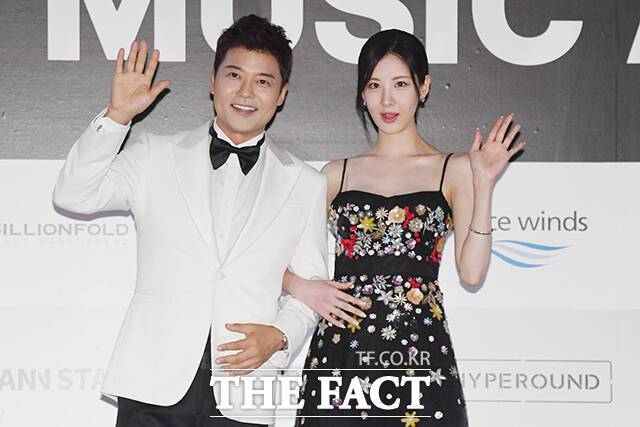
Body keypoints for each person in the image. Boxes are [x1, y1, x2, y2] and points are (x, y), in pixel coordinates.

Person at [53, 15, 327, 427]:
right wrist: (117, 117)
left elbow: (312, 287)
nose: (246, 92)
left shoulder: (305, 183)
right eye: (234, 75)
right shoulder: (155, 154)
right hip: (151, 380)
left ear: (281, 95)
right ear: (213, 81)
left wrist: (280, 335)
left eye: (263, 81)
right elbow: (73, 194)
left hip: (245, 387)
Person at [284, 29, 524, 426]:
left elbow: (471, 272)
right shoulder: (335, 175)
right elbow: (271, 255)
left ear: (423, 87)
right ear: (362, 93)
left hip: (419, 351)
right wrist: (302, 287)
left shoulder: (454, 169)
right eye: (374, 85)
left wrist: (483, 184)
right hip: (342, 351)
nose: (387, 100)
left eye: (400, 84)